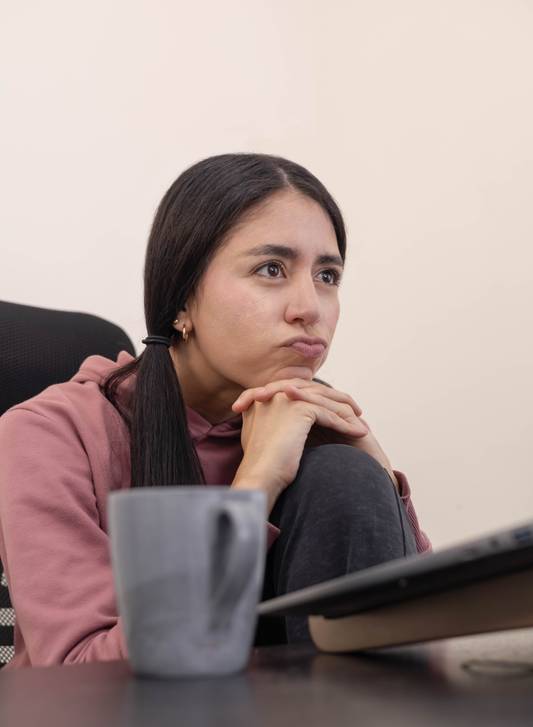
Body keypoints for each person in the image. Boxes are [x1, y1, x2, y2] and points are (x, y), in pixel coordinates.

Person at [0, 153, 432, 668]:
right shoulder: (47, 435)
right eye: (271, 269)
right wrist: (256, 483)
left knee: (346, 475)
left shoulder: (306, 427)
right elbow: (80, 674)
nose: (309, 307)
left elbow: (421, 642)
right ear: (182, 300)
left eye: (328, 275)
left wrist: (378, 473)